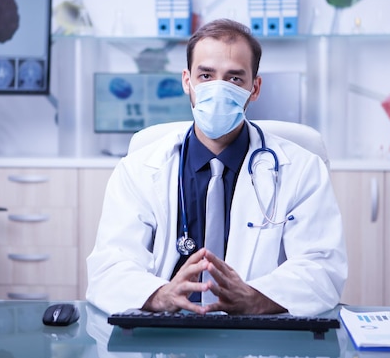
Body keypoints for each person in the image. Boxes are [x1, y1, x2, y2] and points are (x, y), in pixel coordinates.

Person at [86, 18, 347, 317]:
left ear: (255, 87)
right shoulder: (138, 170)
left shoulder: (302, 169)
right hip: (164, 331)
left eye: (234, 78)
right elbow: (110, 264)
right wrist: (160, 295)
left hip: (259, 332)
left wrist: (256, 298)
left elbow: (322, 267)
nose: (219, 89)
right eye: (206, 75)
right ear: (187, 80)